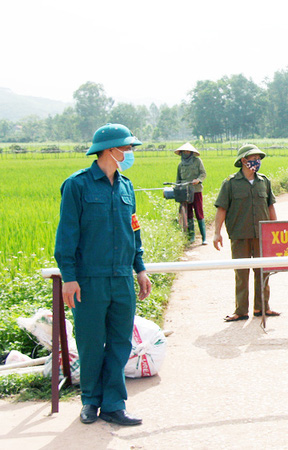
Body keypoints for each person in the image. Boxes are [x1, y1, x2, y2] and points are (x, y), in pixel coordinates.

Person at [54, 123, 153, 426]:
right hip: (89, 280)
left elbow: (132, 231)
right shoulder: (78, 185)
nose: (130, 153)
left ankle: (113, 404)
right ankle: (90, 401)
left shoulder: (126, 186)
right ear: (110, 150)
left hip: (122, 278)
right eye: (127, 148)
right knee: (90, 341)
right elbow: (67, 234)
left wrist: (140, 268)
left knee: (120, 341)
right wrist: (69, 276)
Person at [214, 144, 280, 322]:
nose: (257, 162)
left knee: (263, 272)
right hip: (239, 235)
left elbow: (270, 206)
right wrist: (216, 233)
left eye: (259, 159)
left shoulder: (264, 182)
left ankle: (262, 308)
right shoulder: (230, 183)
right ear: (243, 161)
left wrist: (277, 231)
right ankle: (241, 311)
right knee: (241, 274)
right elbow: (221, 208)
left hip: (262, 235)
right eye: (253, 159)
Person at [174, 142, 208, 244]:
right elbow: (178, 179)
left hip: (196, 190)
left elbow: (203, 173)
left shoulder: (197, 161)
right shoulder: (180, 165)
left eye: (187, 151)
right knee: (188, 213)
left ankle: (204, 238)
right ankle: (192, 236)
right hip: (185, 191)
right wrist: (177, 188)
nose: (186, 153)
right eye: (184, 151)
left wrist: (198, 180)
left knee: (199, 212)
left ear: (191, 152)